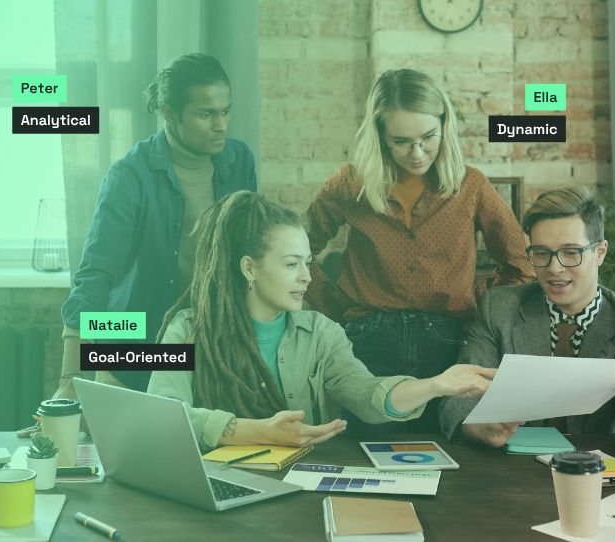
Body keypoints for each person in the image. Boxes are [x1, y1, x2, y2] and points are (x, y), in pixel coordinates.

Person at [148, 191, 495, 448]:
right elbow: (163, 416)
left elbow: (367, 394)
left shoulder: (321, 332)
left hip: (301, 488)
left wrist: (435, 384)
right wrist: (257, 431)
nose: (307, 276)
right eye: (290, 264)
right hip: (216, 485)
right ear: (249, 267)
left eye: (308, 262)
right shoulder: (187, 329)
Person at [303, 69, 533, 436]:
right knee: (365, 456)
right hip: (364, 342)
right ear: (379, 135)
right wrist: (334, 311)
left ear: (445, 124)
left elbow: (522, 265)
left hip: (446, 342)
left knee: (449, 456)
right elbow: (298, 252)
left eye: (428, 137)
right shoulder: (350, 184)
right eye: (401, 141)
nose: (417, 152)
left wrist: (473, 302)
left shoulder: (471, 185)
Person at [49, 54, 257, 413]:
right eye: (206, 114)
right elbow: (96, 275)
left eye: (226, 111)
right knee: (125, 461)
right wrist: (71, 378)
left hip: (211, 347)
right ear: (169, 113)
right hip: (133, 346)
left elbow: (251, 253)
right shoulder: (129, 175)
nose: (221, 124)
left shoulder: (240, 160)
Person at [439, 187, 615, 449]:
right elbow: (457, 400)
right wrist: (478, 427)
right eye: (541, 253)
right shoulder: (499, 307)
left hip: (597, 473)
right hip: (513, 471)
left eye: (571, 252)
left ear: (599, 253)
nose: (554, 268)